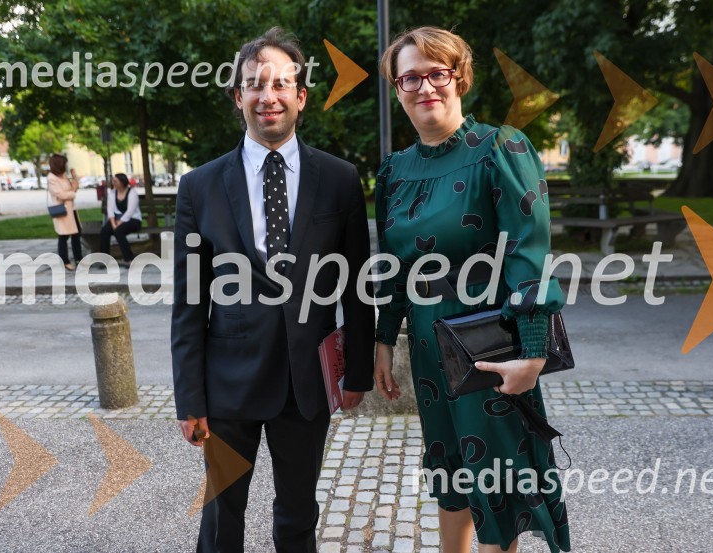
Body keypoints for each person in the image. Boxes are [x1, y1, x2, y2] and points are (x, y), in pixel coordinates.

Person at [171, 27, 374, 553]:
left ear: (302, 97)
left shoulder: (340, 179)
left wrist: (354, 371)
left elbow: (356, 286)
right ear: (238, 96)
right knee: (220, 520)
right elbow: (189, 302)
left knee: (298, 516)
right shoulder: (200, 186)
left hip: (305, 383)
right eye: (255, 84)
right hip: (226, 387)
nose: (269, 96)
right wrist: (189, 398)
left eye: (282, 84)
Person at [374, 27, 570, 553]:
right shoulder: (393, 171)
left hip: (488, 338)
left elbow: (528, 255)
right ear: (396, 88)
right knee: (451, 469)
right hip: (426, 341)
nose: (424, 87)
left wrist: (532, 353)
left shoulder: (500, 147)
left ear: (459, 78)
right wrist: (382, 339)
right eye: (410, 77)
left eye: (437, 73)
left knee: (496, 474)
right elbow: (392, 266)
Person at [47, 153, 82, 271]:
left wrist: (74, 177)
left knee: (76, 235)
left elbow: (74, 188)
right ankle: (65, 261)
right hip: (62, 211)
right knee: (63, 236)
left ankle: (79, 259)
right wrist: (72, 195)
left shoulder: (63, 176)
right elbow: (60, 195)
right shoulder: (51, 177)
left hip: (72, 210)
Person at [100, 173, 141, 267]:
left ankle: (129, 259)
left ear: (122, 182)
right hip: (116, 219)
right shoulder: (112, 193)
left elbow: (130, 211)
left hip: (133, 219)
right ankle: (105, 260)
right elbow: (110, 210)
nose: (113, 183)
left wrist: (118, 224)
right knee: (105, 231)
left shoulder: (132, 192)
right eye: (113, 181)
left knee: (118, 231)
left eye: (115, 181)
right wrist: (113, 224)